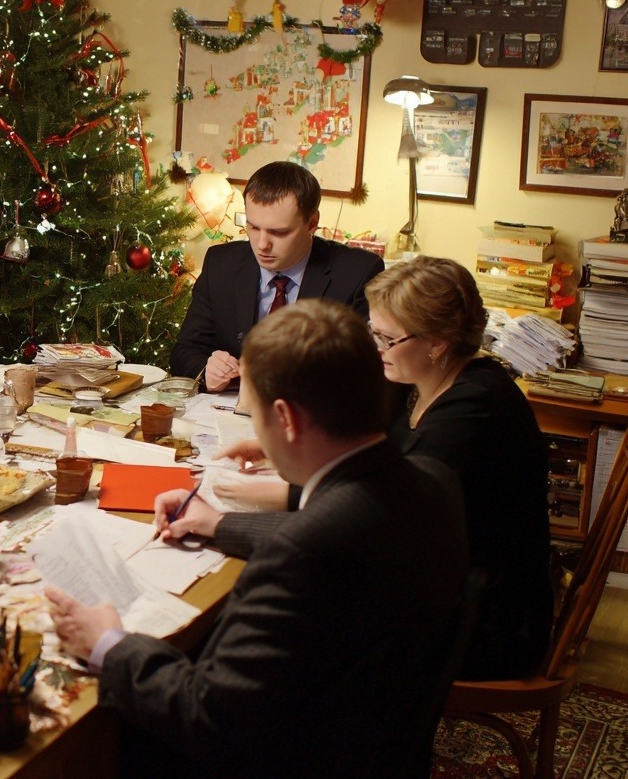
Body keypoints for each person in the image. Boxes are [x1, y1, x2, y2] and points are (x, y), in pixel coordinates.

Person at [48, 300, 468, 779]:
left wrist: (108, 643)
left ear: (286, 419)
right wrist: (217, 525)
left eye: (256, 416)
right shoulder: (431, 478)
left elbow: (204, 717)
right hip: (384, 749)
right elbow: (348, 531)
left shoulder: (305, 554)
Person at [213, 256, 553, 680]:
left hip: (489, 622)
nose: (377, 348)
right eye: (373, 333)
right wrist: (285, 449)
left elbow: (376, 512)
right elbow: (379, 467)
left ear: (437, 342)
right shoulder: (428, 383)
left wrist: (244, 505)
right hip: (446, 586)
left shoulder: (472, 410)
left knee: (294, 621)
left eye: (387, 338)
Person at [169, 161, 383, 392]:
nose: (262, 244)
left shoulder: (358, 273)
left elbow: (367, 374)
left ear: (312, 223)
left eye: (279, 232)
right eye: (253, 227)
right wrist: (207, 371)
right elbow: (185, 351)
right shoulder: (221, 264)